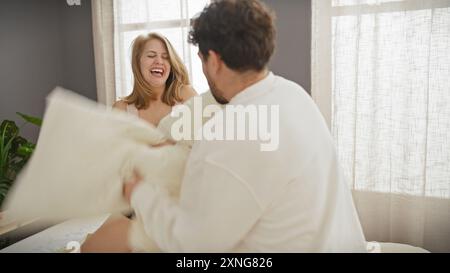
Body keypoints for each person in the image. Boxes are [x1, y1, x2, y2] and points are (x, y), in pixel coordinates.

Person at [123, 0, 367, 252]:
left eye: (203, 60)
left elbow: (193, 245)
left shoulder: (226, 134)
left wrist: (139, 193)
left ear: (214, 61)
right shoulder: (295, 95)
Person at [81, 32, 196, 252]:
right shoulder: (122, 109)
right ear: (137, 63)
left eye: (165, 56)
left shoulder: (185, 96)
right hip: (135, 202)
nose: (159, 61)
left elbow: (202, 149)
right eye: (151, 55)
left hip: (179, 201)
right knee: (89, 248)